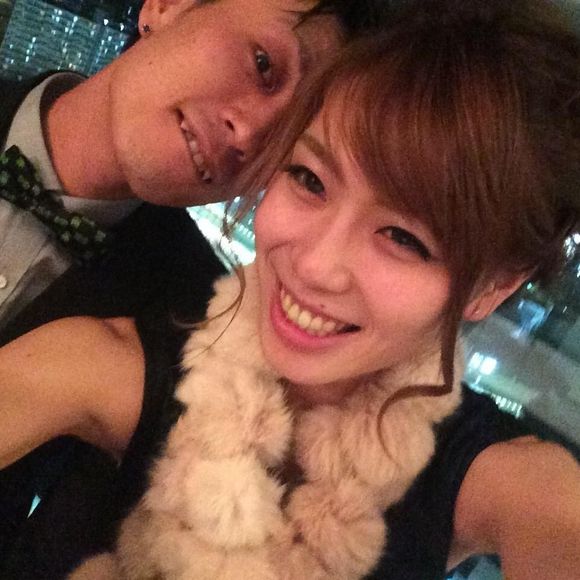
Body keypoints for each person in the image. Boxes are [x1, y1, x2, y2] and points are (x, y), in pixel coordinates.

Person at [2, 0, 580, 578]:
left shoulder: (507, 481)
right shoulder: (109, 361)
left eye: (405, 238)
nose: (315, 266)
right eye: (309, 179)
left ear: (493, 288)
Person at [0, 0, 386, 567]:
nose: (250, 134)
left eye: (289, 140)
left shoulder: (196, 335)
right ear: (166, 6)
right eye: (262, 63)